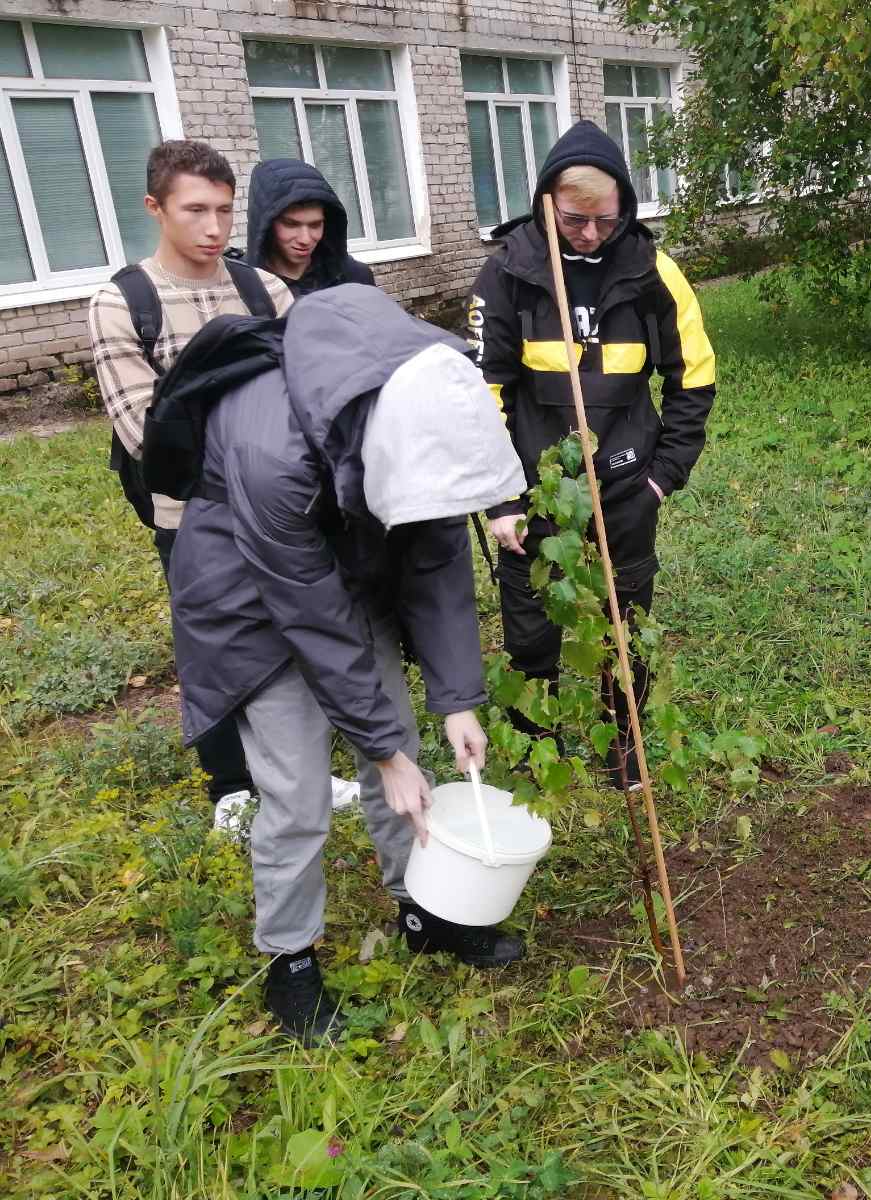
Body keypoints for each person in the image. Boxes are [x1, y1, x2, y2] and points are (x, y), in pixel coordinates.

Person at [166, 284, 531, 1044]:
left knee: (402, 752)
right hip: (248, 599)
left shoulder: (422, 401)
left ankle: (422, 907)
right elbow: (309, 616)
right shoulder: (273, 451)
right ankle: (290, 960)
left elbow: (434, 562)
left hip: (344, 568)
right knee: (298, 791)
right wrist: (385, 751)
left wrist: (455, 698)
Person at [87, 140, 359, 832]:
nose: (213, 227)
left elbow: (304, 395)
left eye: (224, 211)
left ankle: (307, 770)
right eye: (195, 210)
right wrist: (257, 444)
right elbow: (146, 436)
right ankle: (231, 786)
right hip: (190, 518)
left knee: (292, 633)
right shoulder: (124, 303)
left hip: (280, 511)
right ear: (156, 208)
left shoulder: (262, 290)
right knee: (212, 645)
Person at [467, 121, 715, 787]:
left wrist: (665, 475)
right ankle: (533, 750)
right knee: (531, 632)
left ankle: (624, 748)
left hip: (628, 487)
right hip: (534, 494)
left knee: (624, 624)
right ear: (547, 202)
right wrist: (500, 499)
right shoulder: (507, 272)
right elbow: (483, 391)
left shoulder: (652, 269)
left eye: (605, 220)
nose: (590, 235)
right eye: (576, 220)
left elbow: (692, 376)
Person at [244, 158, 377, 296]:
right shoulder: (239, 286)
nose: (305, 239)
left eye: (315, 225)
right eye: (291, 224)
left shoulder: (355, 278)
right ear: (267, 224)